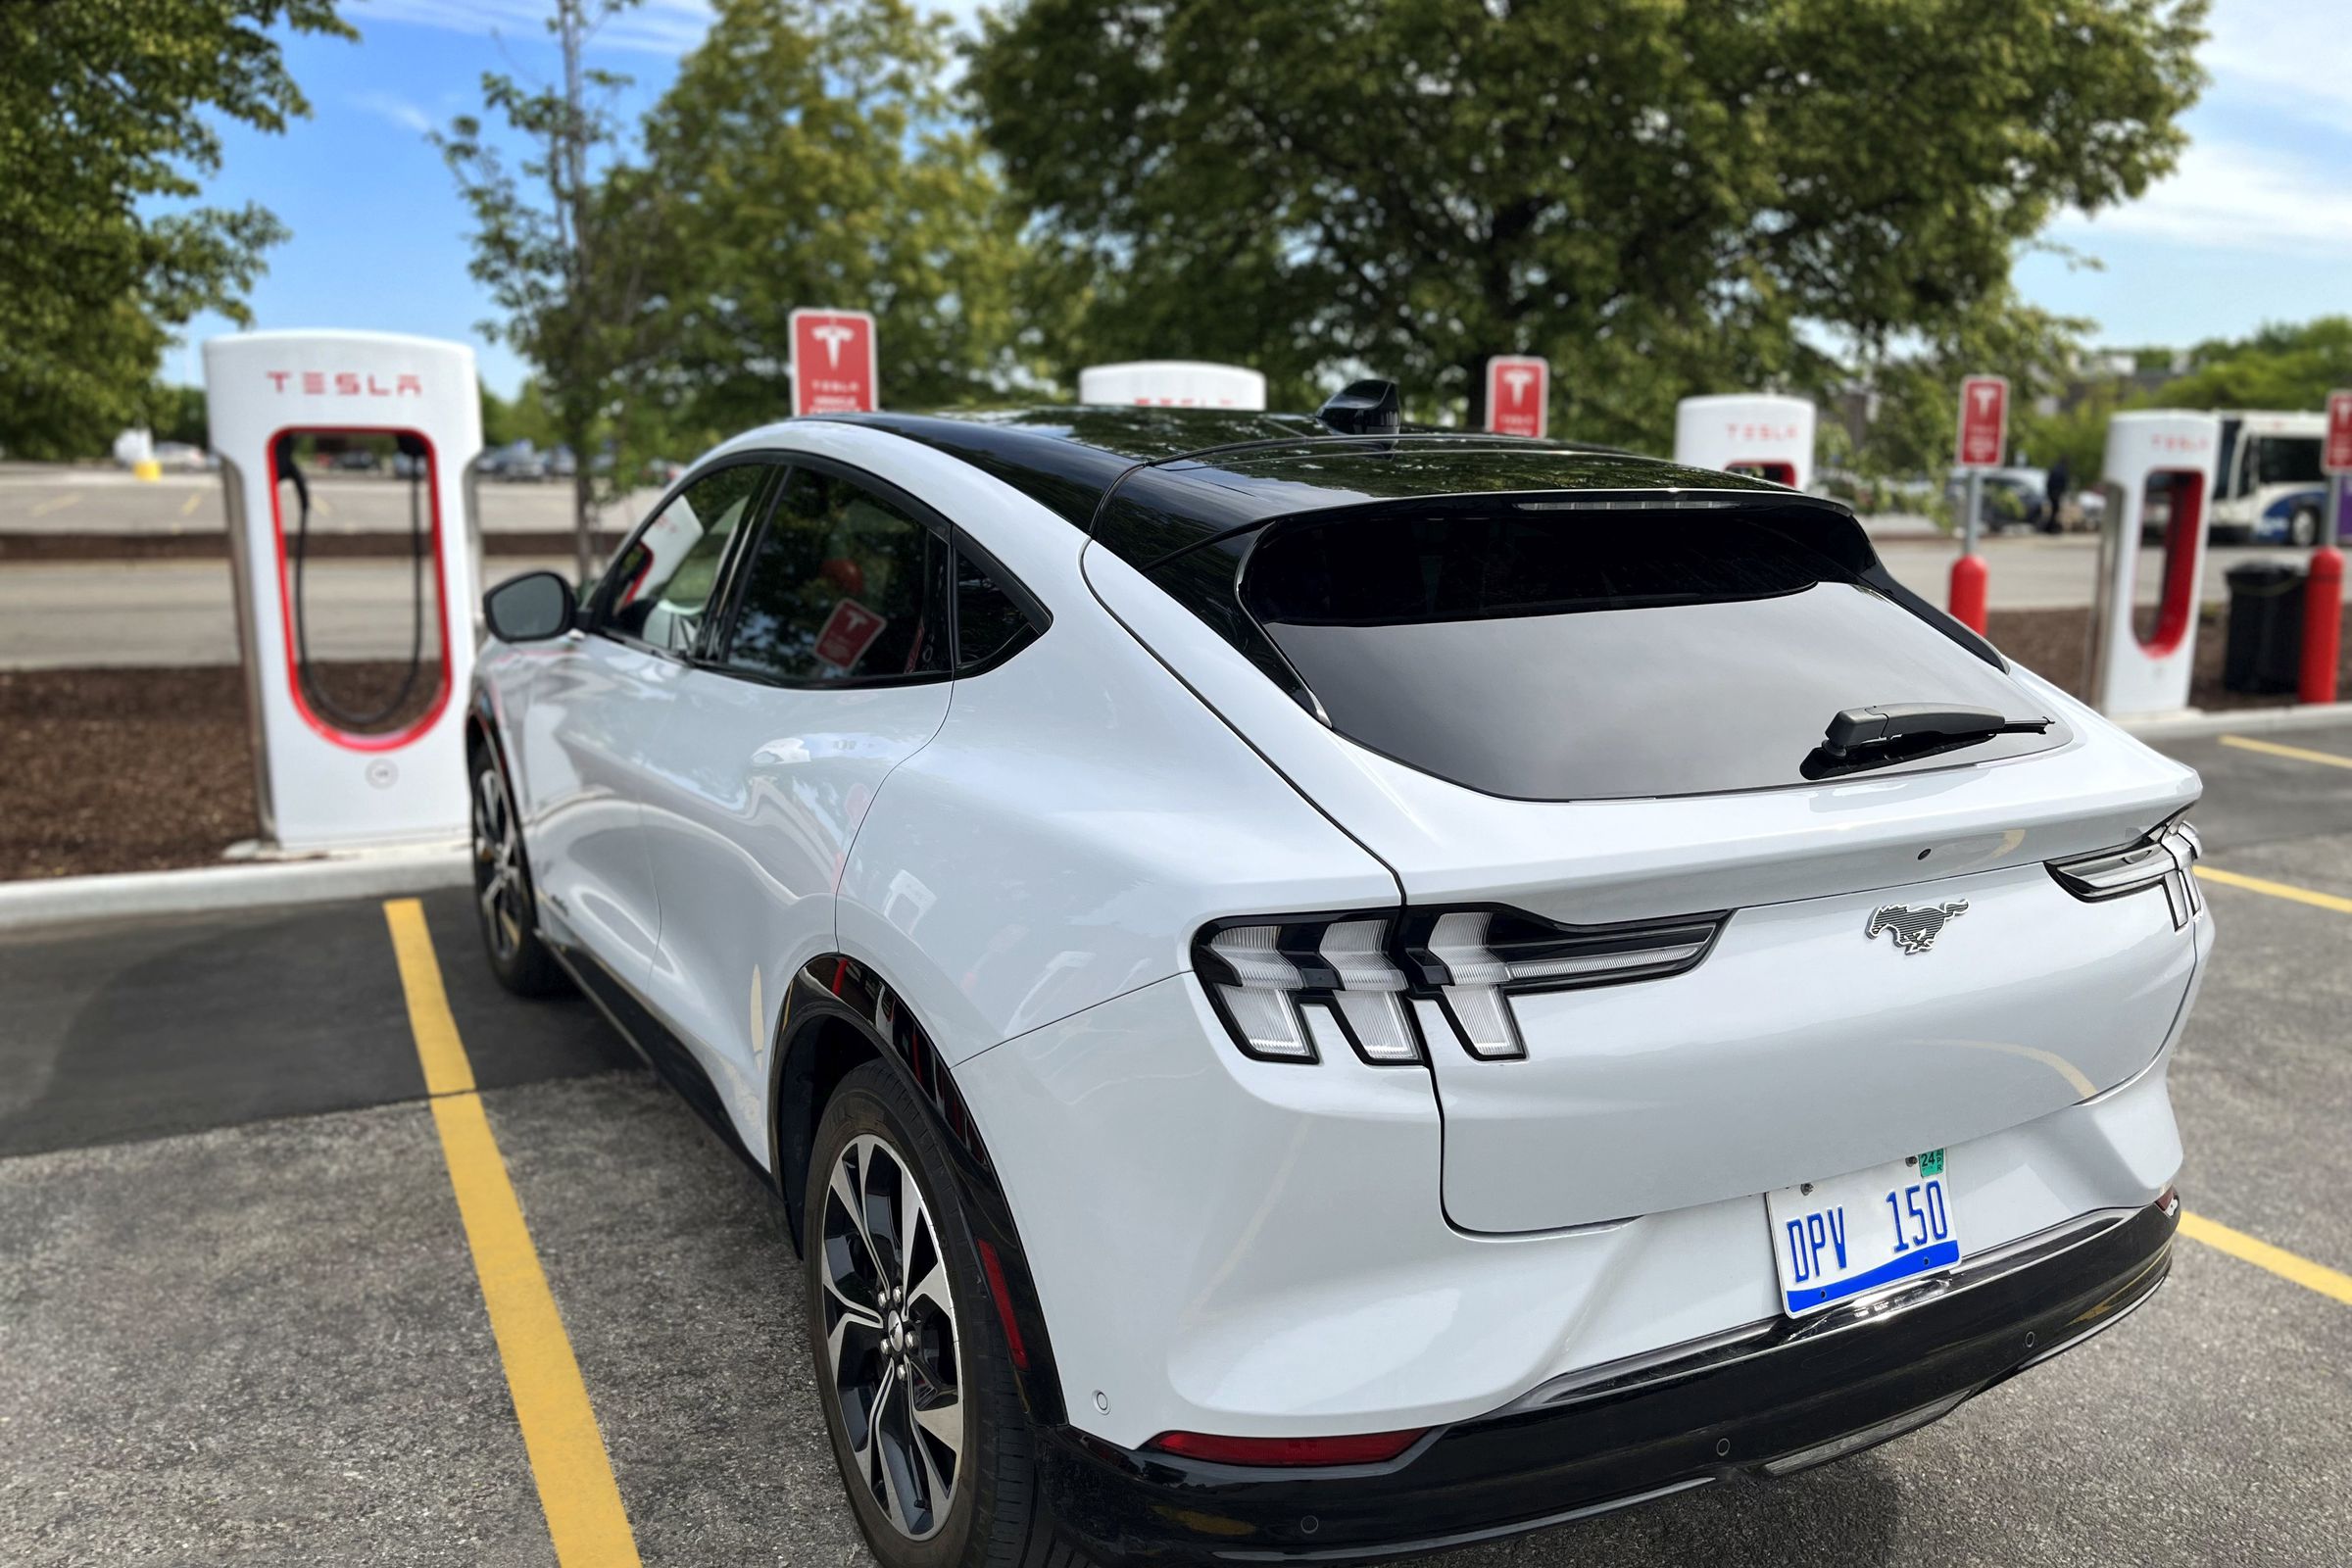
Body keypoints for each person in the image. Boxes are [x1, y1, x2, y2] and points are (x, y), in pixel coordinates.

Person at [2044, 456, 2073, 533]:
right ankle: (2050, 527)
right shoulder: (2061, 470)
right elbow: (2062, 482)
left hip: (2052, 492)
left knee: (2055, 510)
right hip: (2056, 492)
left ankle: (2050, 527)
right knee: (2055, 510)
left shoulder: (2055, 468)